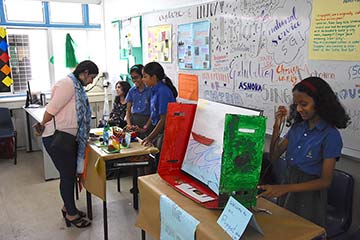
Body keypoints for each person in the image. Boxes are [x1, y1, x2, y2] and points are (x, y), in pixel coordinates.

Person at [258, 76, 350, 227]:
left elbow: (325, 182)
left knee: (302, 230)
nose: (299, 109)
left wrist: (285, 188)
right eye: (297, 105)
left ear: (319, 104)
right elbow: (274, 156)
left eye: (304, 104)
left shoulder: (330, 135)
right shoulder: (298, 127)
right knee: (284, 229)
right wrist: (276, 126)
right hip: (288, 184)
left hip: (309, 196)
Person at [33, 60, 99, 228]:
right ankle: (71, 214)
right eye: (91, 77)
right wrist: (41, 125)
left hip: (69, 138)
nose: (91, 81)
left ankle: (68, 207)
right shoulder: (68, 84)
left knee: (69, 175)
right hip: (58, 138)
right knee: (67, 175)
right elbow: (51, 109)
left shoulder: (77, 86)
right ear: (84, 72)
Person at [141, 62, 177, 152]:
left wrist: (150, 138)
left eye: (145, 77)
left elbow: (163, 119)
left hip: (167, 131)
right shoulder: (153, 89)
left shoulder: (162, 92)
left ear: (154, 77)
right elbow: (154, 113)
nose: (143, 79)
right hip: (159, 130)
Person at [125, 64, 152, 139]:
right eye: (132, 78)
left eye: (136, 77)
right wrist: (129, 124)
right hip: (134, 120)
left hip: (147, 122)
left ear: (143, 76)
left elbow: (153, 112)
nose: (134, 80)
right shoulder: (132, 91)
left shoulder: (150, 90)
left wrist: (145, 128)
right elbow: (128, 110)